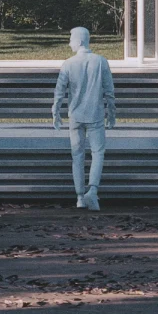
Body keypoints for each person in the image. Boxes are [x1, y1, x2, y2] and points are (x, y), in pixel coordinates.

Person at [53, 26, 116, 210]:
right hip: (95, 115)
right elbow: (109, 91)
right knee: (98, 154)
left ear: (79, 40)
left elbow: (59, 92)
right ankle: (93, 191)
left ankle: (80, 196)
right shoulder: (101, 62)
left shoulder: (68, 64)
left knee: (77, 156)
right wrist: (112, 114)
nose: (69, 42)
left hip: (76, 116)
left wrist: (56, 112)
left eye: (71, 38)